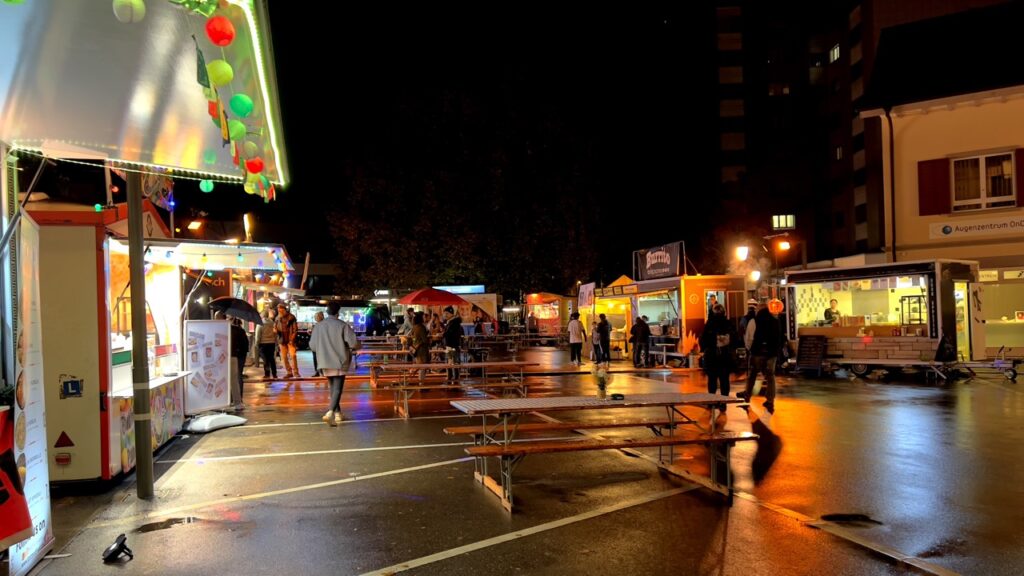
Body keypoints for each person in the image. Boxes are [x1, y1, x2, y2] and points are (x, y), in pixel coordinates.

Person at [309, 300, 359, 426]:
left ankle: (338, 414)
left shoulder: (318, 326)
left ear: (326, 311)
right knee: (338, 388)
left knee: (333, 388)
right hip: (339, 360)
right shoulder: (342, 325)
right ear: (338, 312)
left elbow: (312, 346)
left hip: (324, 361)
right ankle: (330, 412)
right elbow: (353, 343)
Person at [740, 301, 782, 413]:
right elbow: (779, 338)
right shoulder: (775, 321)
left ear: (758, 310)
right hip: (771, 354)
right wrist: (775, 351)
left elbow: (749, 338)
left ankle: (747, 396)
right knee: (770, 377)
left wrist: (750, 349)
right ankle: (770, 400)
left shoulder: (754, 321)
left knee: (752, 375)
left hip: (757, 352)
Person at [699, 304, 736, 404]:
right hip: (725, 356)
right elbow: (735, 339)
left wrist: (704, 349)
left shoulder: (709, 324)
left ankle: (712, 401)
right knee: (724, 380)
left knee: (712, 380)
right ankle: (724, 403)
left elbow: (703, 340)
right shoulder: (728, 323)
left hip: (712, 356)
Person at [228, 317, 249, 410]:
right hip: (238, 356)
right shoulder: (239, 330)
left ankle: (231, 399)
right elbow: (245, 345)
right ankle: (238, 400)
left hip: (229, 356)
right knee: (237, 377)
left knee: (231, 378)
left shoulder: (225, 331)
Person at [275, 303, 299, 378]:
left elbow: (295, 329)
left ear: (284, 309)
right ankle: (289, 372)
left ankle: (295, 372)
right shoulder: (277, 318)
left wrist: (292, 338)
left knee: (293, 356)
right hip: (282, 340)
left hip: (290, 340)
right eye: (278, 309)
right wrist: (275, 330)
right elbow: (275, 327)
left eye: (281, 309)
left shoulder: (291, 317)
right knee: (284, 357)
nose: (279, 310)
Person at [256, 309, 278, 380]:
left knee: (265, 359)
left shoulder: (260, 324)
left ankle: (267, 374)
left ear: (262, 315)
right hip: (271, 343)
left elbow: (258, 336)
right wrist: (275, 342)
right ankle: (274, 374)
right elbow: (275, 333)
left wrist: (257, 344)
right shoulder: (272, 323)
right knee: (271, 359)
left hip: (263, 344)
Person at [442, 306, 463, 380]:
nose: (445, 315)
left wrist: (443, 334)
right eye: (444, 313)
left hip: (453, 345)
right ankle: (450, 376)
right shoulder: (450, 322)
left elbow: (450, 333)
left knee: (454, 362)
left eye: (447, 313)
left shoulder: (454, 323)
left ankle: (455, 378)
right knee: (450, 361)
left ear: (452, 314)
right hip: (449, 345)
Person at [409, 311, 430, 381]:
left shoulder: (414, 327)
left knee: (419, 366)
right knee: (422, 367)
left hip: (416, 350)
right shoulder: (421, 327)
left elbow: (412, 337)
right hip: (422, 350)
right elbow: (425, 340)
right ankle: (421, 383)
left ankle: (420, 382)